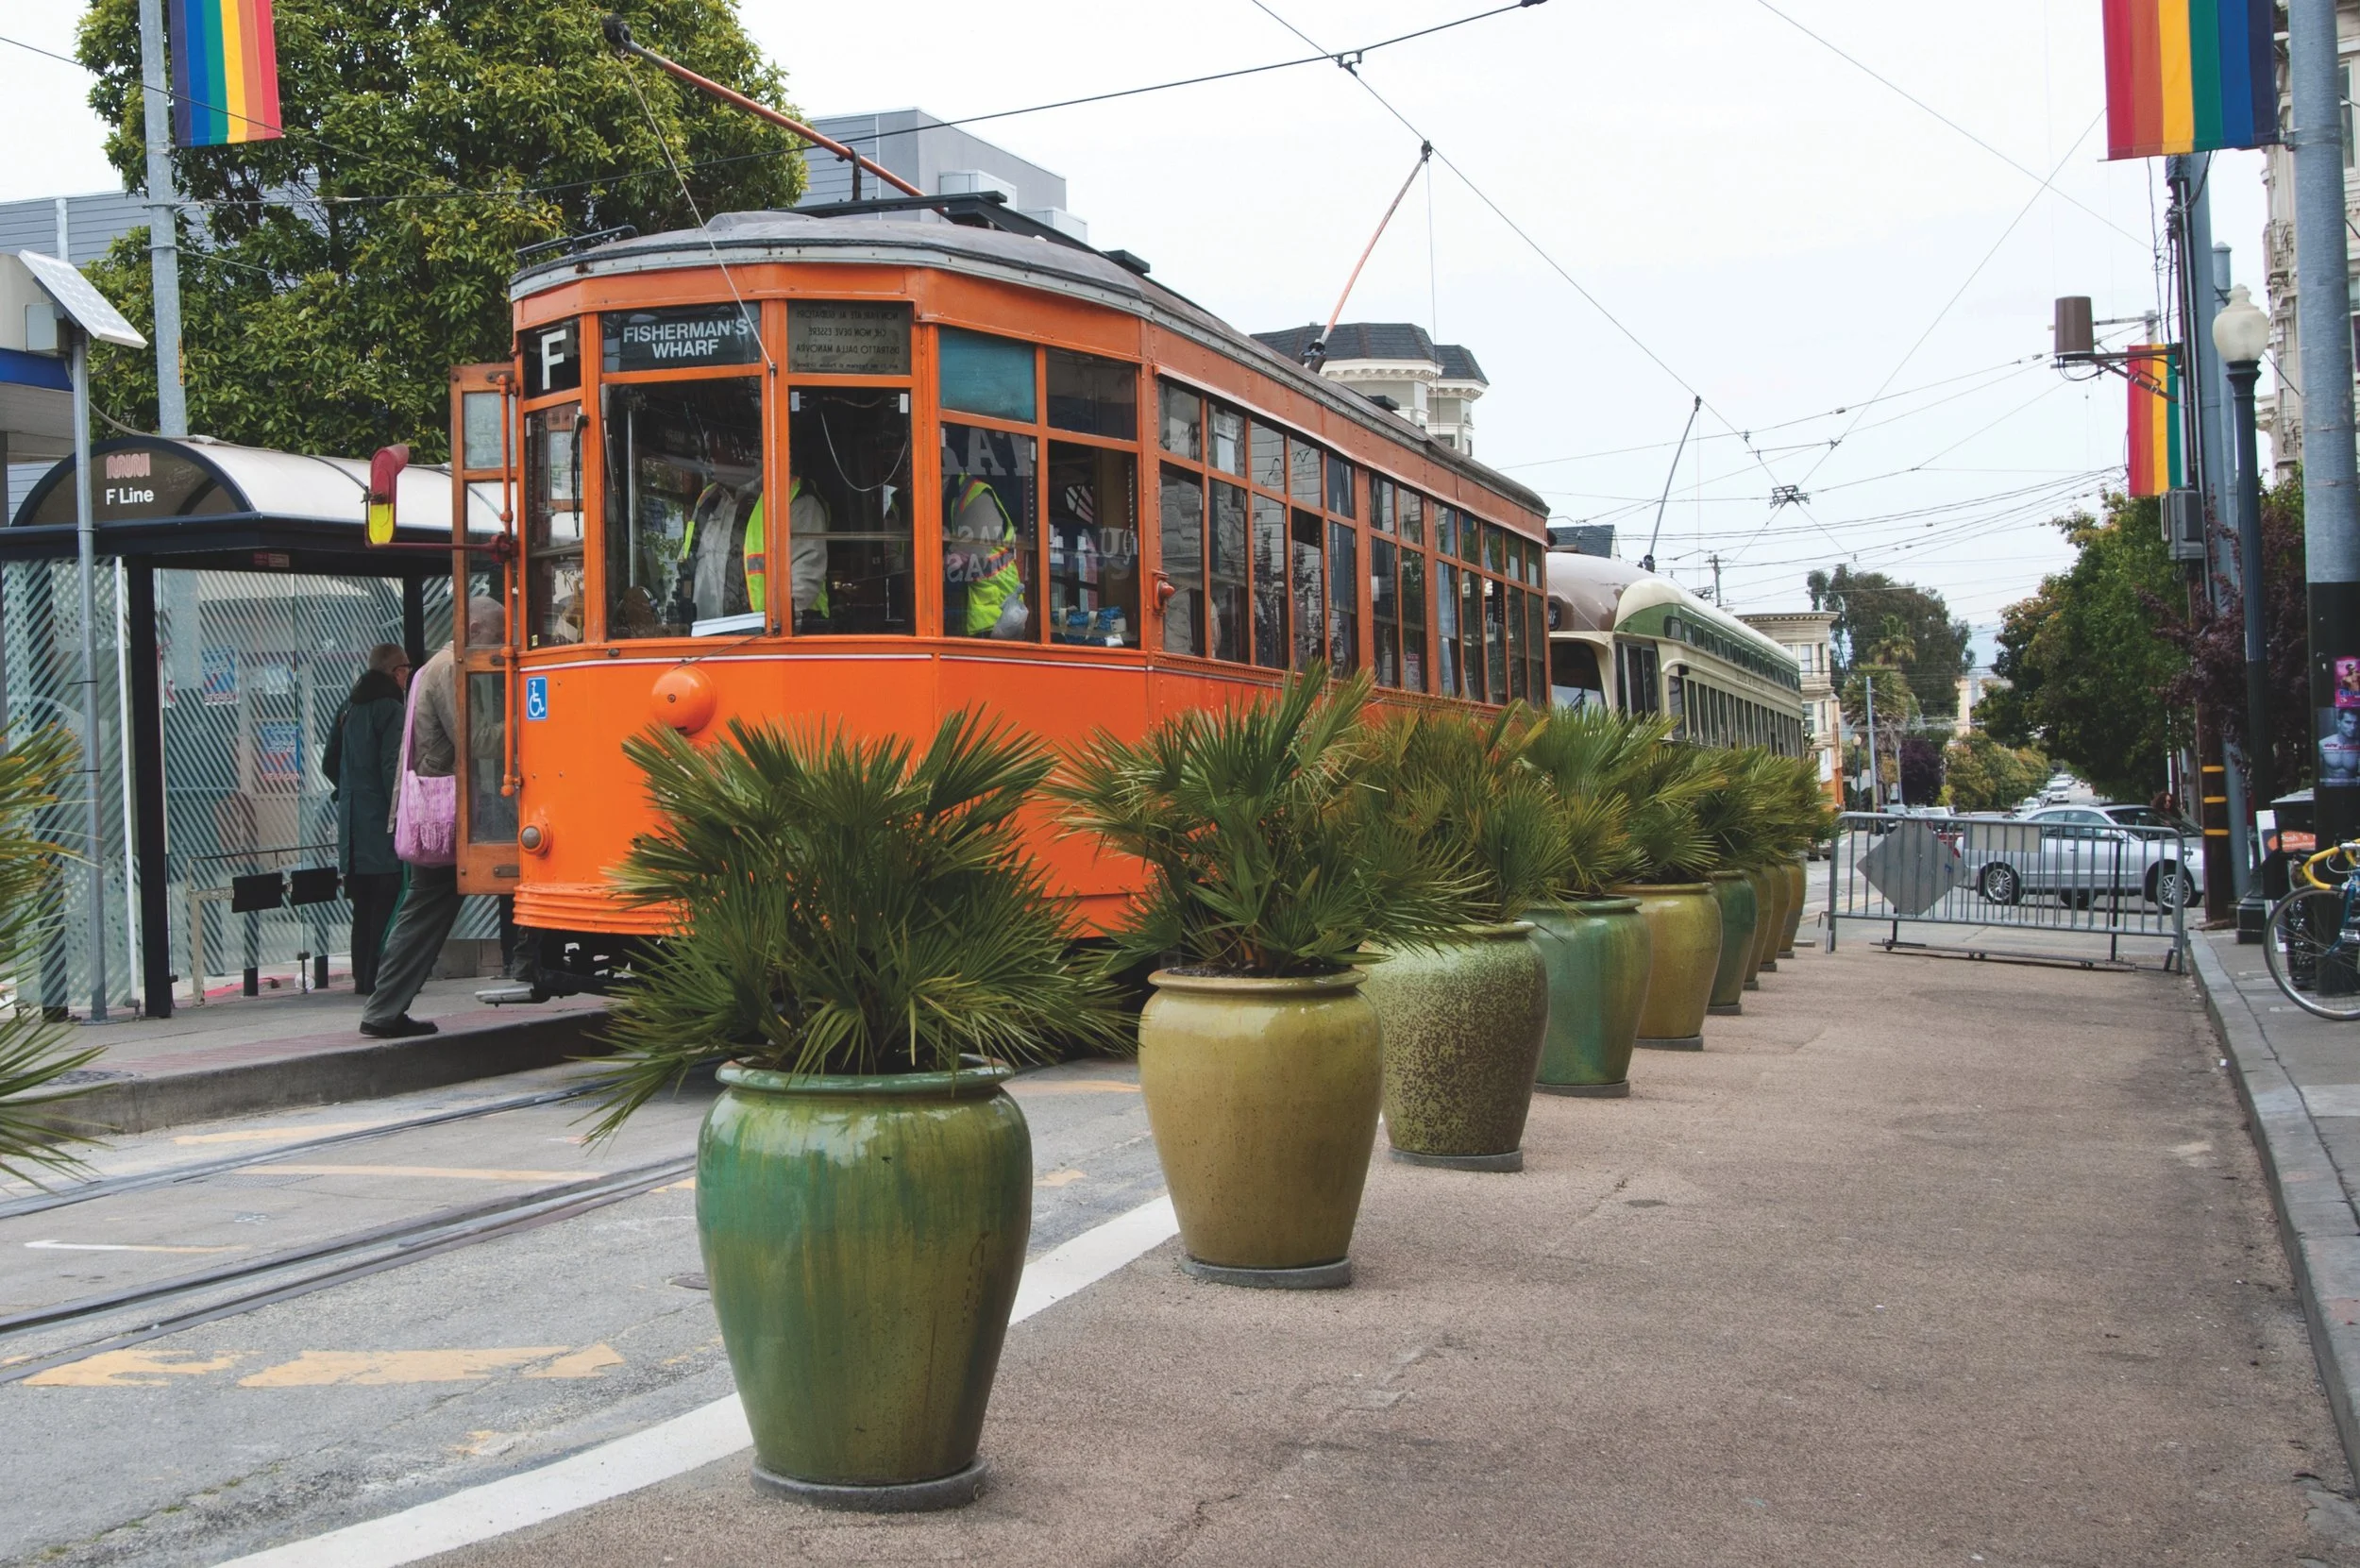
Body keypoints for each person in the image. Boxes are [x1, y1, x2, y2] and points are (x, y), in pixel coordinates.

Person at [360, 598, 502, 1038]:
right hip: (447, 813)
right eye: (497, 637)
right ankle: (383, 1010)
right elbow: (475, 740)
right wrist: (531, 722)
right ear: (474, 628)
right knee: (424, 909)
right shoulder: (448, 670)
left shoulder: (429, 668)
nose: (500, 647)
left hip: (440, 810)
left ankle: (385, 1008)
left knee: (425, 908)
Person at [325, 644, 410, 995]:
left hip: (352, 828)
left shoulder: (348, 707)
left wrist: (348, 793)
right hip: (382, 825)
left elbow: (329, 762)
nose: (408, 674)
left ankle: (362, 976)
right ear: (395, 672)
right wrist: (402, 809)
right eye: (406, 667)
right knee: (388, 902)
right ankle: (380, 976)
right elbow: (393, 768)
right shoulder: (391, 709)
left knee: (362, 905)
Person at [947, 476, 1027, 638]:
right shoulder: (957, 498)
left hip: (997, 616)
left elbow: (963, 558)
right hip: (989, 614)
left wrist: (946, 558)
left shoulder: (978, 499)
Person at [2324, 707, 2360, 787]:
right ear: (2339, 723)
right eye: (2348, 722)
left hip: (2352, 792)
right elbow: (2317, 773)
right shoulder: (2323, 743)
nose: (2353, 727)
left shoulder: (2358, 745)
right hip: (2329, 792)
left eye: (2355, 723)